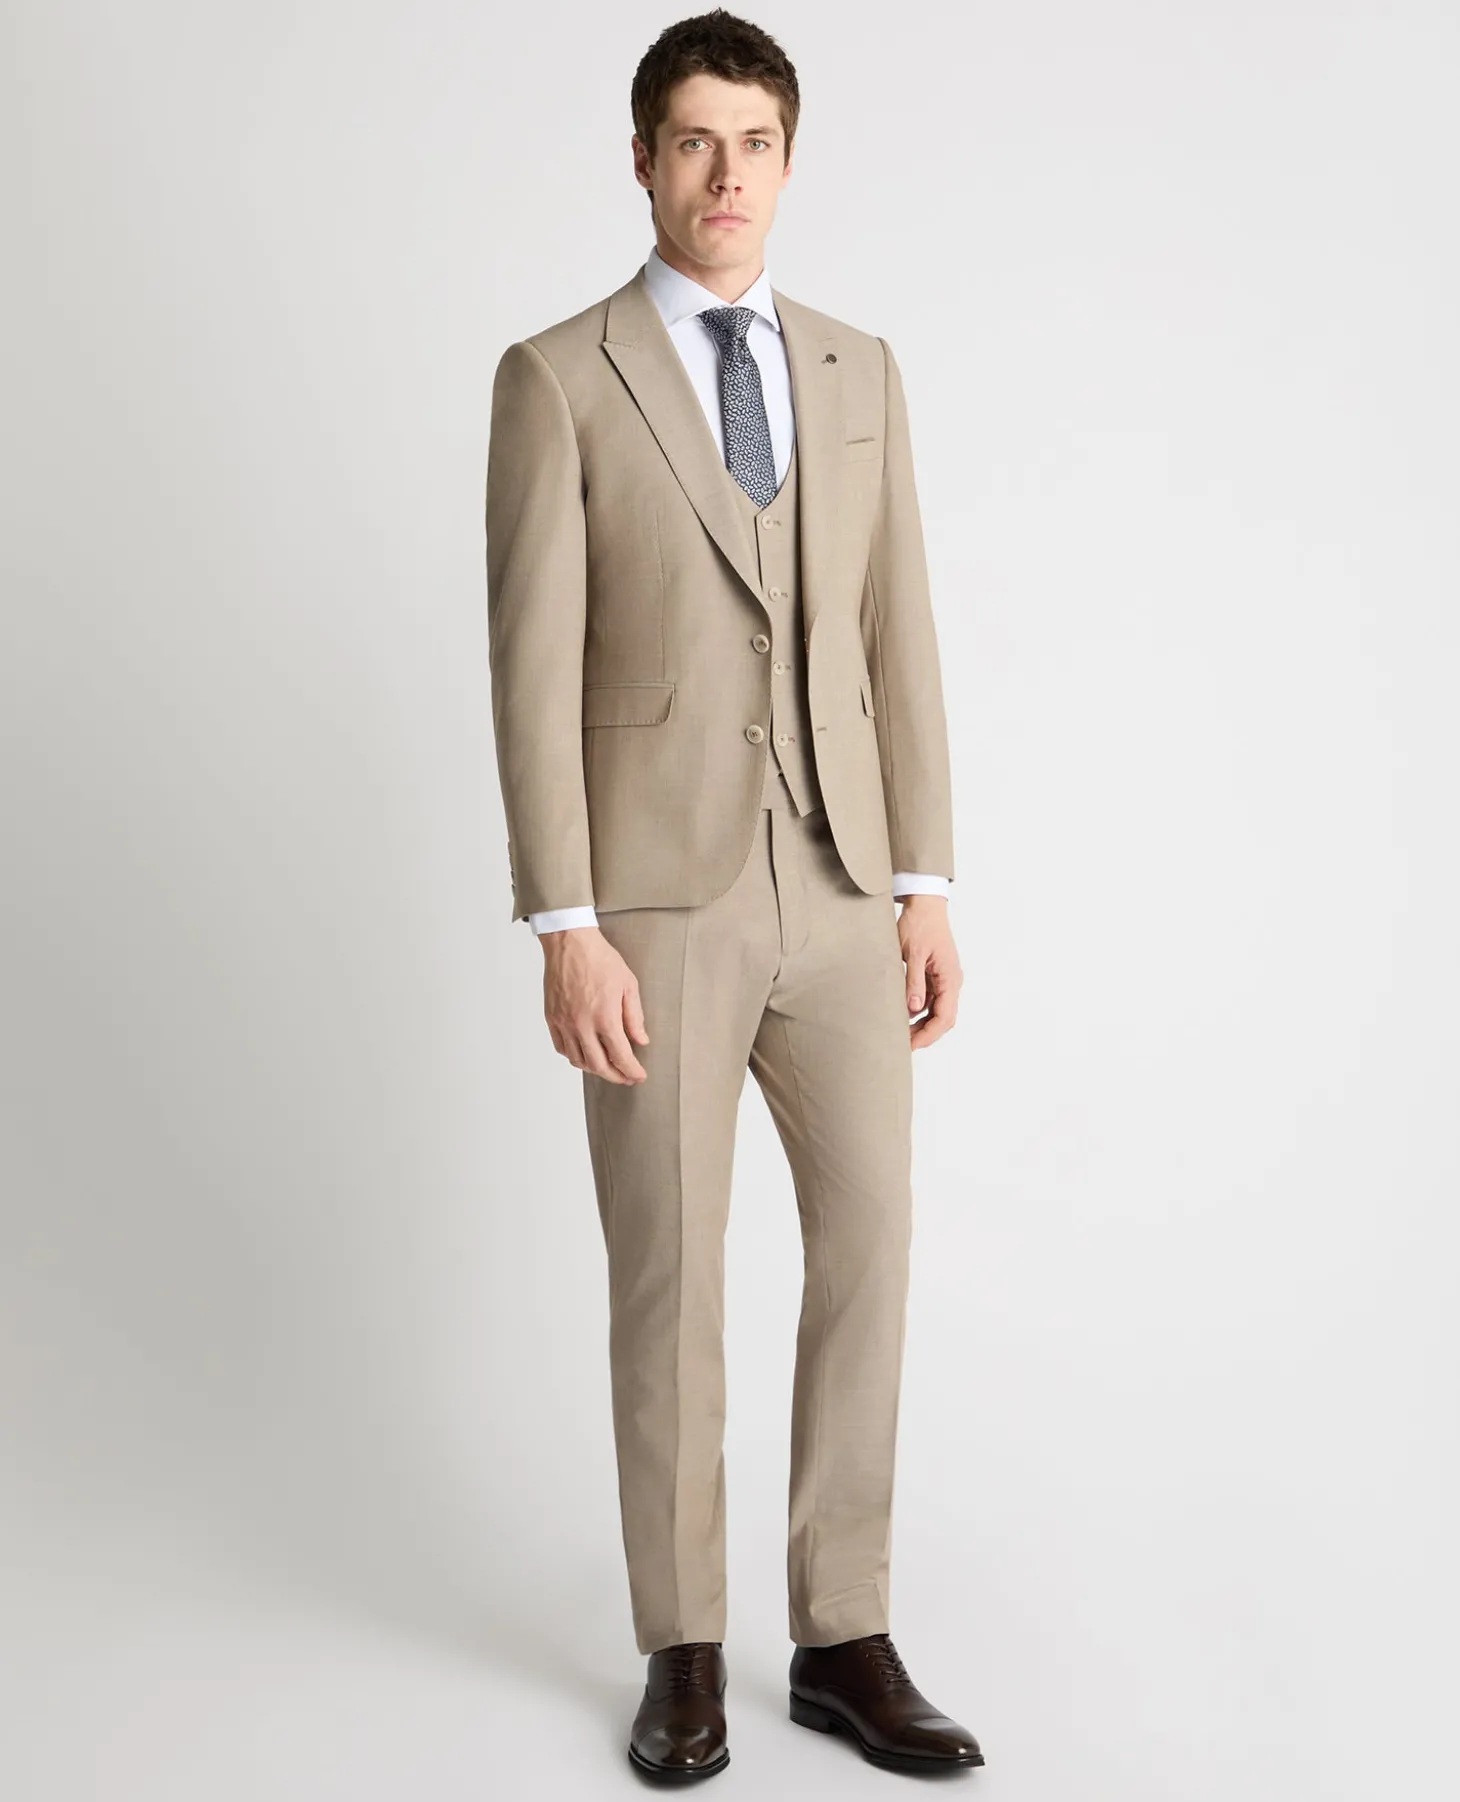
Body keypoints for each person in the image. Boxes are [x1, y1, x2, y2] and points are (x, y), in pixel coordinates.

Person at [484, 9, 982, 1781]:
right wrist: (566, 922)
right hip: (658, 902)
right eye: (692, 142)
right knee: (671, 1274)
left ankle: (841, 1632)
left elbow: (896, 632)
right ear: (642, 158)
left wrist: (924, 879)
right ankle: (683, 1645)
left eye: (753, 144)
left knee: (873, 1242)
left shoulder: (858, 369)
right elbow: (531, 668)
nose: (724, 176)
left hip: (843, 884)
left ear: (788, 161)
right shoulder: (560, 377)